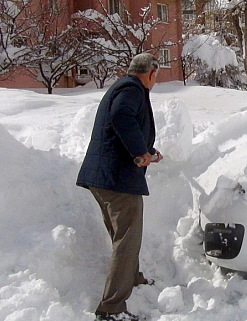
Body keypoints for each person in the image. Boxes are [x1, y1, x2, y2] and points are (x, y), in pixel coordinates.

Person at [76, 53, 164, 321]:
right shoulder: (131, 90)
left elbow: (125, 126)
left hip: (105, 177)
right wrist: (139, 152)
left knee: (124, 236)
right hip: (117, 179)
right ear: (150, 74)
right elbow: (121, 117)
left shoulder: (123, 87)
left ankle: (132, 279)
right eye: (156, 78)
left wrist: (148, 150)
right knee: (127, 239)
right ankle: (111, 309)